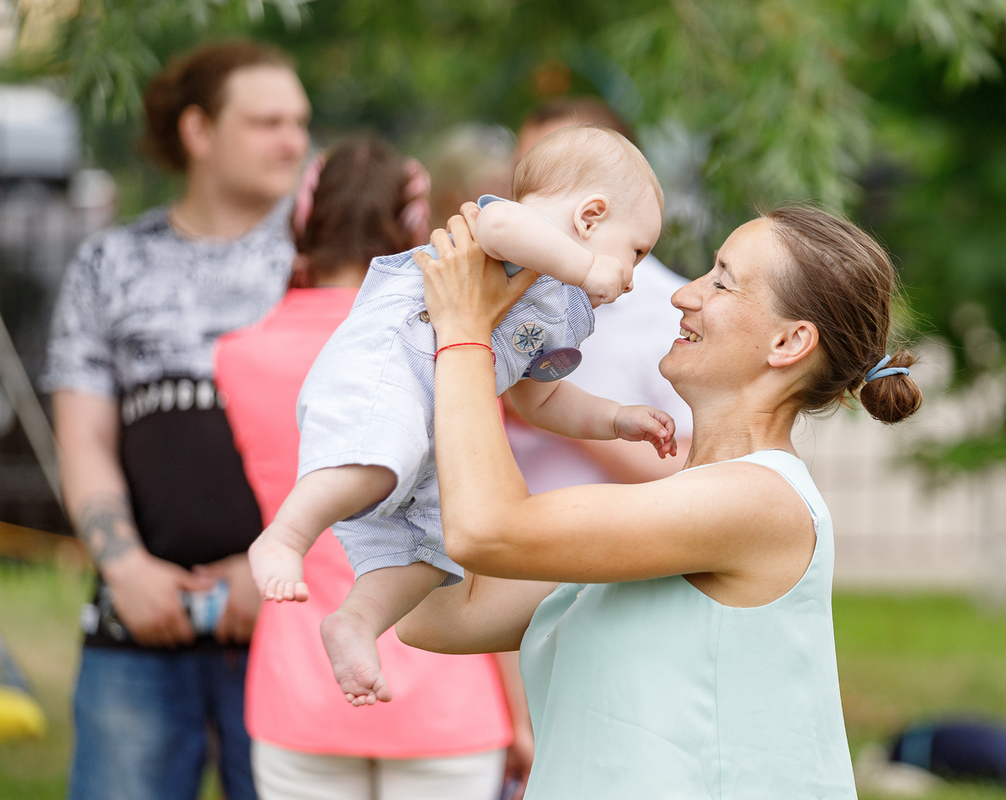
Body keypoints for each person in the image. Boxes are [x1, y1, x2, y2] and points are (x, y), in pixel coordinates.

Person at [396, 203, 922, 797]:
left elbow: (488, 530)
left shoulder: (759, 500)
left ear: (788, 341)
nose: (683, 295)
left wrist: (465, 333)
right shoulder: (666, 514)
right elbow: (437, 615)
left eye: (721, 281)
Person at [248, 123, 675, 706]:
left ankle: (355, 620)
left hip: (435, 424)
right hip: (393, 364)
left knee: (437, 547)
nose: (631, 278)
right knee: (381, 461)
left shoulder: (566, 310)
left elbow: (538, 398)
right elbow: (499, 226)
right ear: (591, 216)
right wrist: (582, 267)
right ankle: (285, 536)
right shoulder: (514, 230)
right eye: (636, 253)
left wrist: (614, 418)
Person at [214, 138, 530, 800]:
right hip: (448, 688)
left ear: (304, 220)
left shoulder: (240, 356)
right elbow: (478, 524)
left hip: (298, 687)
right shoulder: (449, 345)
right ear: (416, 229)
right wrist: (521, 708)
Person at [42, 40, 309, 800]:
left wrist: (277, 565)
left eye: (300, 121)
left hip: (294, 625)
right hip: (136, 630)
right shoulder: (109, 262)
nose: (293, 141)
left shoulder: (329, 264)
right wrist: (125, 568)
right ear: (198, 131)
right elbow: (84, 435)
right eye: (267, 122)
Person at [504, 98, 693, 489]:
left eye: (558, 180)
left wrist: (612, 420)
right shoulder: (501, 256)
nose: (533, 200)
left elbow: (687, 465)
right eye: (527, 175)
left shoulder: (674, 309)